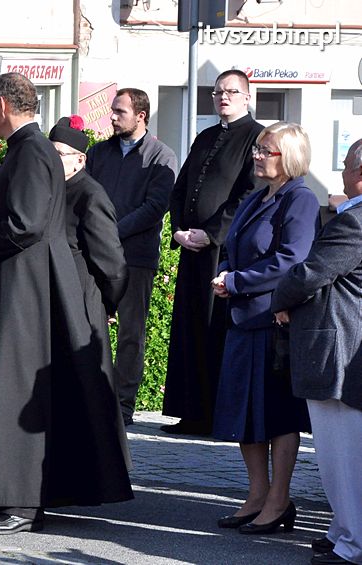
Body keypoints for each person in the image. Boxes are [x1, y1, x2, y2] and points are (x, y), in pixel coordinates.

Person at [0, 73, 132, 535]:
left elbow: (25, 223)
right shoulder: (28, 149)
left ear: (3, 106)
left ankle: (20, 502)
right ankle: (4, 496)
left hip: (22, 296)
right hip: (16, 291)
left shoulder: (32, 150)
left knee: (13, 395)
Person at [209, 122, 319, 535]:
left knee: (275, 416)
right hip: (242, 319)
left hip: (273, 321)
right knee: (244, 414)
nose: (257, 156)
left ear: (287, 156)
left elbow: (292, 259)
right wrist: (224, 272)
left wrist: (235, 281)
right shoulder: (258, 197)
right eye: (257, 149)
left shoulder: (300, 199)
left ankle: (279, 500)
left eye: (265, 150)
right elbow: (232, 246)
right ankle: (256, 495)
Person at [272, 137, 362, 565]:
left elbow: (309, 273)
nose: (341, 171)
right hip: (342, 347)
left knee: (343, 458)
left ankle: (353, 544)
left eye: (345, 164)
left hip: (339, 351)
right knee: (340, 456)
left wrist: (280, 300)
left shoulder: (356, 222)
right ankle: (342, 529)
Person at [162, 69, 264, 435]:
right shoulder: (206, 136)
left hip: (222, 251)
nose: (223, 97)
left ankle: (213, 414)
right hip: (191, 247)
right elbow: (181, 188)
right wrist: (178, 229)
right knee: (188, 330)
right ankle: (189, 410)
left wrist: (211, 233)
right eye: (218, 92)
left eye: (231, 92)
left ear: (247, 97)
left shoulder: (256, 137)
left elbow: (248, 194)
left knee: (212, 329)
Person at [85, 88, 178, 426]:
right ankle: (93, 396)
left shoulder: (160, 156)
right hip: (95, 255)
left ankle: (123, 406)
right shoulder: (99, 153)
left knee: (130, 335)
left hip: (135, 258)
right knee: (88, 327)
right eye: (112, 110)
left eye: (119, 112)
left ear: (140, 116)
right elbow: (86, 195)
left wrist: (111, 232)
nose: (112, 117)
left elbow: (155, 207)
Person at [48, 115, 129, 434]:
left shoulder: (89, 195)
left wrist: (106, 304)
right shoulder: (54, 191)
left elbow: (113, 264)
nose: (52, 161)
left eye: (59, 155)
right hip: (59, 303)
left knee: (88, 397)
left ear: (79, 160)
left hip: (84, 304)